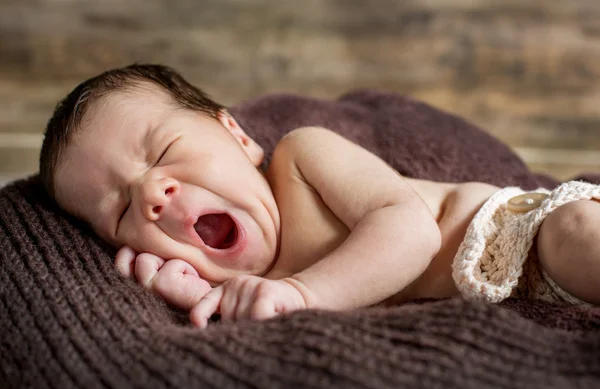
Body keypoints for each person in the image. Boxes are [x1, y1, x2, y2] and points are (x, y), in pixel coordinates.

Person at [39, 64, 600, 328]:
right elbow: (238, 309)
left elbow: (410, 231)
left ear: (236, 135)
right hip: (508, 306)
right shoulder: (240, 282)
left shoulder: (301, 160)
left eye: (161, 154)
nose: (151, 196)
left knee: (576, 237)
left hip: (517, 236)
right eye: (119, 210)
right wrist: (182, 288)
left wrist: (302, 292)